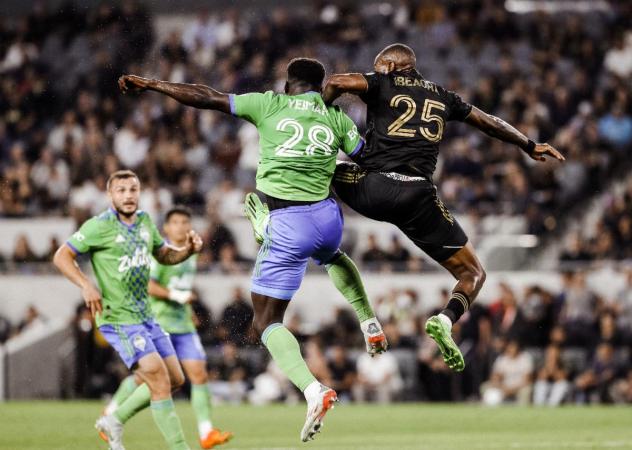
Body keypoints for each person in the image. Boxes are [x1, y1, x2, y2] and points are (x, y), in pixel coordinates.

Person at [119, 57, 387, 442]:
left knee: (264, 322)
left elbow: (206, 97)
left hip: (288, 222)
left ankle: (313, 390)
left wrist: (154, 84)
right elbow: (368, 159)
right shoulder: (336, 118)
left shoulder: (268, 104)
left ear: (287, 83)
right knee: (332, 256)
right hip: (329, 218)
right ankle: (368, 320)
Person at [320, 43, 565, 371]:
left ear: (392, 67)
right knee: (473, 273)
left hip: (372, 188)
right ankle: (446, 321)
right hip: (418, 198)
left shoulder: (381, 82)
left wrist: (318, 109)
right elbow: (488, 121)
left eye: (379, 67)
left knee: (318, 160)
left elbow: (336, 81)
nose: (376, 72)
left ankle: (273, 211)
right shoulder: (444, 96)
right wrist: (528, 144)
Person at [53, 170, 203, 450]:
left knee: (176, 379)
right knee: (158, 380)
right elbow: (62, 256)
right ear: (110, 195)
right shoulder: (99, 226)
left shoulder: (146, 221)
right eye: (121, 190)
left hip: (146, 317)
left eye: (133, 189)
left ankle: (114, 419)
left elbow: (163, 255)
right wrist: (86, 285)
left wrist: (187, 251)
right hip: (118, 319)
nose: (128, 195)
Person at [103, 206, 232, 449]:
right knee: (148, 379)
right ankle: (110, 413)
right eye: (177, 222)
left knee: (199, 374)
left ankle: (206, 432)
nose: (182, 227)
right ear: (166, 228)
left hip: (182, 324)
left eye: (186, 222)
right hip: (159, 323)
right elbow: (150, 286)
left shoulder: (190, 252)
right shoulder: (158, 254)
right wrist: (177, 296)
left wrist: (188, 309)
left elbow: (181, 284)